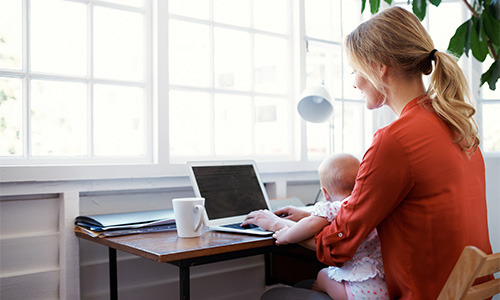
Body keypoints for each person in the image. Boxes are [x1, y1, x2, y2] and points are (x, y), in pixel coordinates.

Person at [243, 6, 493, 300]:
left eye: (355, 70)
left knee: (276, 295)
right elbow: (387, 210)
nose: (354, 82)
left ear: (379, 67)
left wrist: (279, 225)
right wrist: (312, 214)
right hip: (464, 291)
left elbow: (341, 243)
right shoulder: (458, 127)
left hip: (424, 294)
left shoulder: (396, 139)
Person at [272, 153, 389, 300]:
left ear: (325, 193)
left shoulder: (336, 207)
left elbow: (310, 225)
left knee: (323, 274)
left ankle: (322, 286)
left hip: (356, 293)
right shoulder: (373, 207)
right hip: (382, 288)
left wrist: (286, 236)